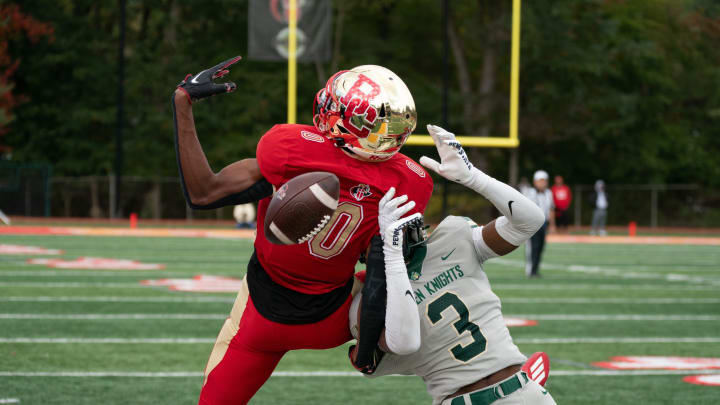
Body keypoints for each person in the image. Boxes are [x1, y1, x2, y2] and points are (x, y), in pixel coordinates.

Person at [172, 57, 433, 404]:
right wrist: (367, 350)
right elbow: (380, 277)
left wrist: (182, 104)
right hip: (335, 320)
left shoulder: (291, 151)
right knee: (413, 267)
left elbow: (203, 193)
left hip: (261, 322)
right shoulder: (410, 182)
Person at [348, 126, 555, 405]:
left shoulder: (453, 236)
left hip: (525, 392)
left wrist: (473, 178)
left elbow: (529, 221)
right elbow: (403, 342)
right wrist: (391, 257)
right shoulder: (365, 302)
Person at [521, 170, 554, 278]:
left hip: (544, 223)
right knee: (532, 247)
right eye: (540, 181)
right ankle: (530, 270)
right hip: (532, 223)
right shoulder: (529, 192)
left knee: (540, 247)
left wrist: (552, 224)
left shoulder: (549, 193)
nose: (543, 183)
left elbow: (551, 209)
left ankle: (535, 270)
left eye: (544, 181)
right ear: (535, 182)